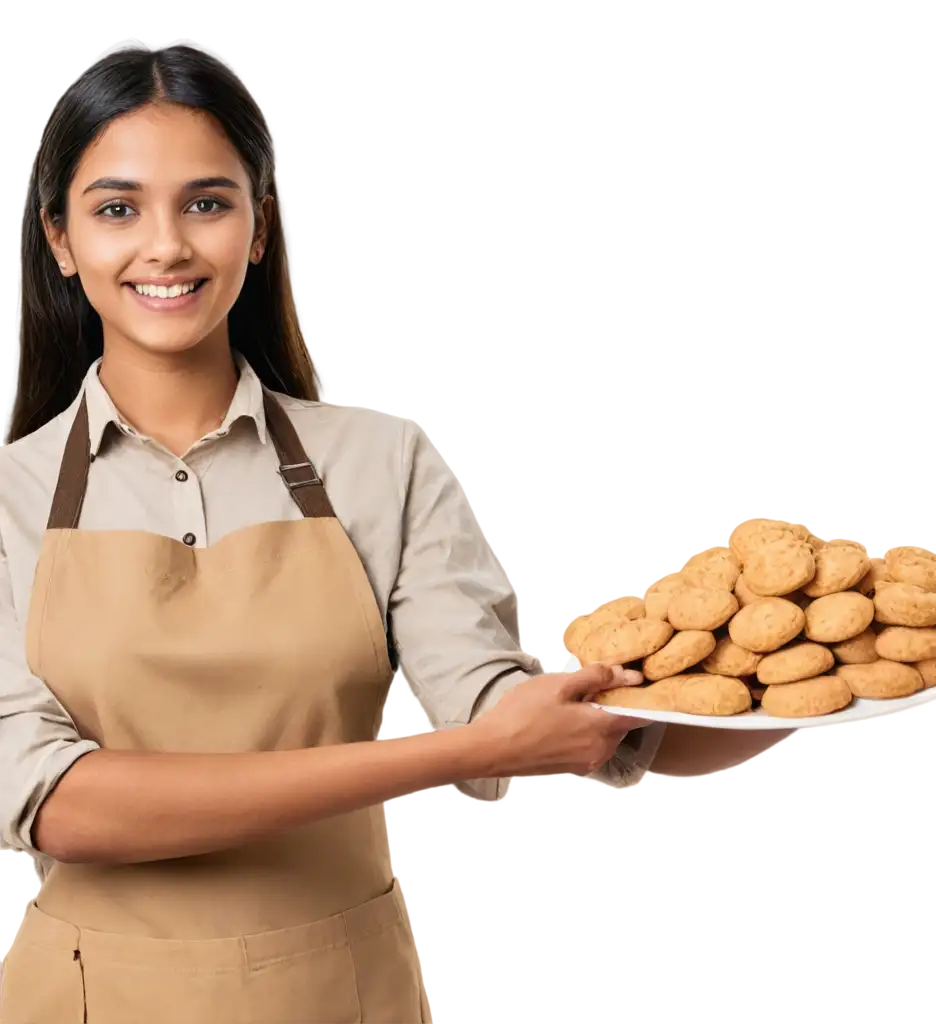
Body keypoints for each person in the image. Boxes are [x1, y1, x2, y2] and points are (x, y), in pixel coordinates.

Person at [0, 44, 663, 1023]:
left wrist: (726, 702)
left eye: (207, 202)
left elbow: (486, 699)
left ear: (259, 228)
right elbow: (59, 805)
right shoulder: (7, 499)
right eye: (117, 208)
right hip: (89, 995)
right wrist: (446, 753)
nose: (167, 246)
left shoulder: (380, 462)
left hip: (339, 993)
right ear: (60, 239)